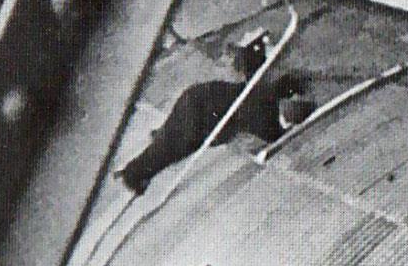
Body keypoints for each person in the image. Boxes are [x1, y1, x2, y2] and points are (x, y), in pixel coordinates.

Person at [116, 34, 309, 194]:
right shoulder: (264, 119)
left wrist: (259, 46)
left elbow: (251, 60)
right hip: (201, 118)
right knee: (175, 149)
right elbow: (276, 136)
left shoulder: (258, 86)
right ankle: (134, 174)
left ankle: (138, 168)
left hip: (197, 98)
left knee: (171, 143)